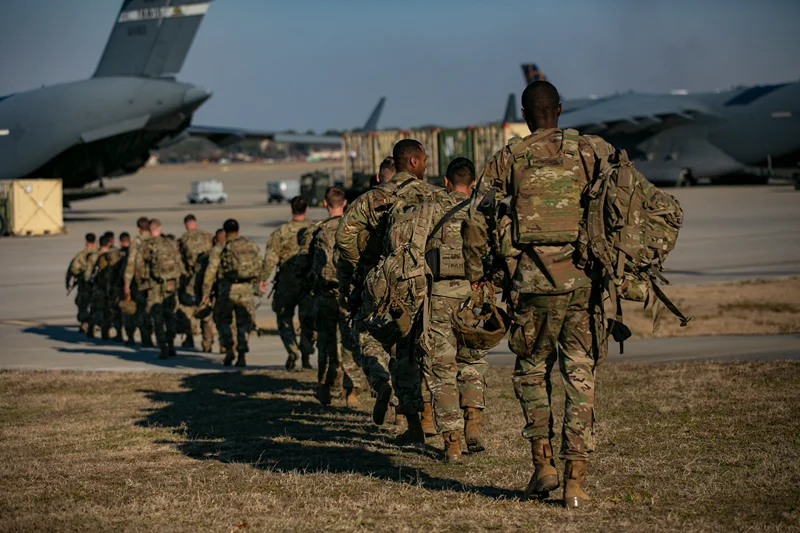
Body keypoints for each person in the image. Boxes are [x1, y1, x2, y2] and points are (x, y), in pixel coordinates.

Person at [462, 80, 617, 507]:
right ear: (561, 110)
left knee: (532, 371)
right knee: (579, 376)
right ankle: (576, 480)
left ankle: (543, 465)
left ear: (526, 117)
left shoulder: (508, 158)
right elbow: (625, 199)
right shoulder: (591, 151)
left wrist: (478, 275)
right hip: (583, 284)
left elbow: (476, 220)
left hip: (531, 285)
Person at [336, 138, 441, 442]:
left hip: (388, 286)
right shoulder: (434, 195)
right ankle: (430, 414)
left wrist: (368, 264)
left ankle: (410, 420)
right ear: (413, 162)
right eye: (423, 159)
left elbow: (344, 238)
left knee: (396, 348)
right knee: (429, 347)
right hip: (430, 281)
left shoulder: (373, 198)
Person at [419, 157, 489, 462]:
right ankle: (473, 421)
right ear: (472, 184)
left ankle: (453, 443)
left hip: (440, 297)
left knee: (442, 369)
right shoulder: (484, 210)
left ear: (446, 182)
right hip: (474, 297)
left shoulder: (431, 209)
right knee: (472, 361)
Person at [308, 186, 364, 407]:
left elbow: (309, 265)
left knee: (325, 343)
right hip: (348, 295)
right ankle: (352, 390)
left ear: (325, 204)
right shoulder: (352, 229)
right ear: (345, 204)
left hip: (324, 295)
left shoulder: (317, 231)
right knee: (350, 343)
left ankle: (324, 388)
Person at [261, 196, 316, 371]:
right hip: (309, 282)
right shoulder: (315, 229)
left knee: (284, 317)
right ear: (306, 209)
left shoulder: (281, 232)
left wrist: (263, 279)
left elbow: (270, 259)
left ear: (291, 209)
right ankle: (306, 354)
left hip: (287, 283)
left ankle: (292, 349)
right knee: (307, 320)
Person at [202, 219, 264, 367]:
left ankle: (229, 348)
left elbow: (211, 271)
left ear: (224, 232)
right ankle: (242, 354)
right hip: (246, 291)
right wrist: (259, 284)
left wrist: (206, 292)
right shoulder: (251, 246)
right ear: (239, 231)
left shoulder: (220, 248)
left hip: (227, 291)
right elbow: (260, 267)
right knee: (244, 323)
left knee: (223, 321)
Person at [136, 219, 186, 359]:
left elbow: (139, 267)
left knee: (157, 318)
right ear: (160, 228)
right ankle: (171, 344)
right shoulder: (171, 244)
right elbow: (180, 264)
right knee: (170, 315)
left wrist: (141, 285)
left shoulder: (146, 246)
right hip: (170, 284)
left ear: (150, 230)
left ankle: (163, 346)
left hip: (154, 286)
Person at [177, 214, 215, 352]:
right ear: (196, 223)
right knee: (206, 310)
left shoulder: (183, 240)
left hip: (191, 280)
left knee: (187, 310)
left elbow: (179, 260)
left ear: (186, 225)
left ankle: (189, 338)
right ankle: (207, 342)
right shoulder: (208, 237)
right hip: (207, 279)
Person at [123, 217, 155, 347]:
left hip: (141, 282)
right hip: (155, 282)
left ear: (138, 228)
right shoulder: (156, 240)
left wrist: (127, 283)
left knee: (141, 310)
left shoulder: (136, 242)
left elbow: (131, 264)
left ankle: (146, 338)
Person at [66, 233, 97, 334]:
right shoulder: (98, 254)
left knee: (82, 304)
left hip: (84, 285)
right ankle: (94, 323)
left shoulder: (80, 255)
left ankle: (84, 324)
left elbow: (73, 269)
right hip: (96, 285)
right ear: (95, 242)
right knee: (95, 304)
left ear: (85, 242)